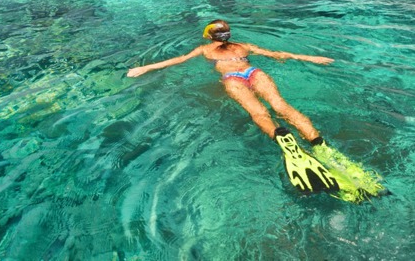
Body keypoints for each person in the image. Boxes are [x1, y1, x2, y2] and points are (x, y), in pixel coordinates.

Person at [127, 19, 385, 201]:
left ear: (210, 36)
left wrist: (145, 68)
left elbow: (178, 60)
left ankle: (284, 141)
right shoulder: (244, 46)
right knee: (282, 106)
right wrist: (310, 58)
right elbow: (277, 54)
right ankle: (318, 143)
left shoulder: (205, 50)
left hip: (233, 79)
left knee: (259, 114)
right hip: (254, 72)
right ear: (229, 34)